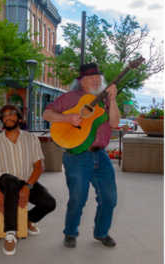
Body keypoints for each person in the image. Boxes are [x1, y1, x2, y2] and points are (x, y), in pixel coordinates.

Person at [43, 62, 120, 248]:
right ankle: (70, 232)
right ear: (81, 81)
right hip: (77, 155)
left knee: (109, 197)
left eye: (97, 77)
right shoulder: (70, 98)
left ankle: (101, 233)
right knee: (78, 197)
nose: (95, 80)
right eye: (90, 77)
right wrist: (67, 118)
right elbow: (47, 114)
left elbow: (115, 123)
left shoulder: (105, 100)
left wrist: (113, 99)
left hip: (100, 155)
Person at [0, 104, 56, 255]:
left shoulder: (31, 139)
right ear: (2, 121)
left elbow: (38, 167)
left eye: (11, 114)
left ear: (19, 117)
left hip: (26, 181)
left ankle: (28, 220)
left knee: (49, 203)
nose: (8, 117)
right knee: (10, 181)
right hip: (5, 181)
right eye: (4, 115)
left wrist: (27, 187)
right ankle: (10, 234)